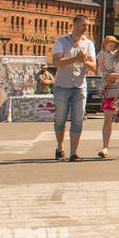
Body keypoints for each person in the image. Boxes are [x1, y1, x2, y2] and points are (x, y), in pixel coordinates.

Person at [50, 15, 97, 161]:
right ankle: (60, 147)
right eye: (83, 25)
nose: (86, 28)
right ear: (75, 25)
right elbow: (56, 62)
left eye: (87, 25)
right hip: (62, 86)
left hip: (79, 86)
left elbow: (94, 67)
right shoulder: (61, 41)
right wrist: (74, 59)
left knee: (78, 120)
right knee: (60, 119)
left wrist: (84, 62)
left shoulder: (88, 44)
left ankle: (74, 152)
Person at [95, 32, 119, 159]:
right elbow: (104, 67)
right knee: (107, 118)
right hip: (112, 88)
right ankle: (105, 147)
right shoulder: (116, 54)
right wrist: (108, 76)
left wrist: (115, 76)